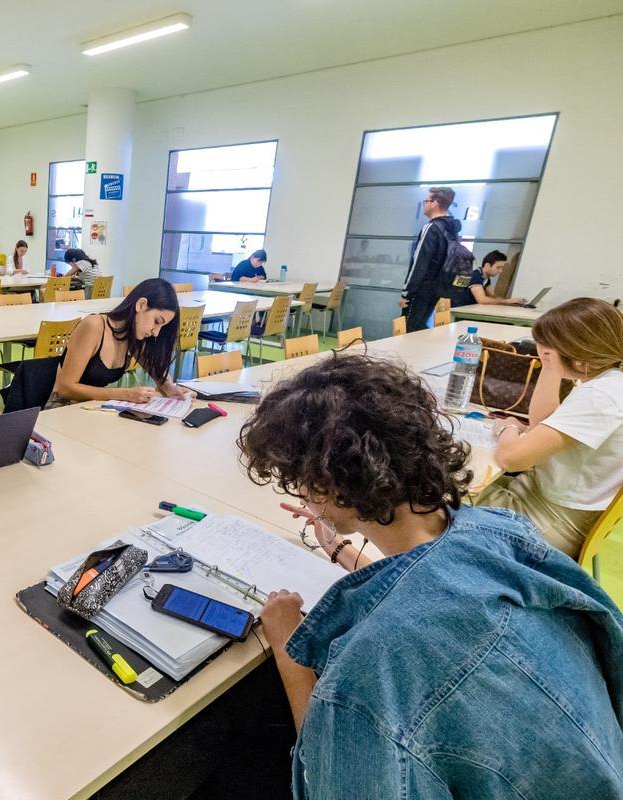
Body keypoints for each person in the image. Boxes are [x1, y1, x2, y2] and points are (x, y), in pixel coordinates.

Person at [237, 353, 623, 799]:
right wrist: (343, 549)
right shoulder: (502, 532)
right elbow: (434, 584)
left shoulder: (370, 671)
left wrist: (288, 649)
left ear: (325, 487)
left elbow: (330, 778)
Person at [479, 297, 623, 557]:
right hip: (549, 501)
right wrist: (550, 365)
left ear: (580, 359)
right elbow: (540, 423)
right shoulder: (607, 381)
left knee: (438, 497)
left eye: (548, 350)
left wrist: (507, 427)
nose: (541, 353)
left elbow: (512, 459)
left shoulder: (601, 396)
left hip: (548, 521)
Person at [53, 278, 190, 404]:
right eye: (156, 321)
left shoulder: (134, 335)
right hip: (60, 408)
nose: (156, 332)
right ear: (141, 305)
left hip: (90, 407)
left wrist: (170, 387)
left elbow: (157, 372)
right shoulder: (94, 326)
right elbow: (65, 389)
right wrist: (124, 394)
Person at [401, 186, 461, 332]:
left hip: (421, 289)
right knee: (419, 328)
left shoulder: (432, 228)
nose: (424, 204)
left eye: (426, 201)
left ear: (435, 203)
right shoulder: (451, 229)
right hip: (439, 289)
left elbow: (419, 263)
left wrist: (406, 293)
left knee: (407, 331)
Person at [451, 250, 526, 307]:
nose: (500, 271)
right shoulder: (475, 275)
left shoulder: (486, 278)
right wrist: (506, 302)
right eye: (498, 267)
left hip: (471, 308)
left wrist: (510, 301)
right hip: (459, 310)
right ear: (487, 265)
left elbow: (493, 296)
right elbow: (482, 300)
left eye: (502, 268)